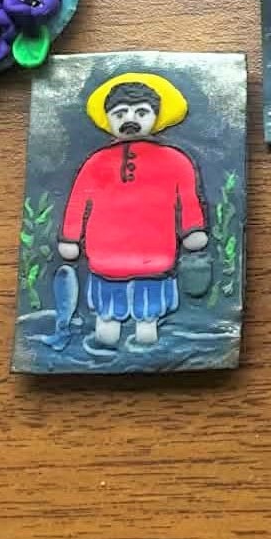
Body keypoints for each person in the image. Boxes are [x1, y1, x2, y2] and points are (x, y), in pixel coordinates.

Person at [58, 73, 207, 347]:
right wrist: (70, 238)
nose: (130, 119)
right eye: (120, 113)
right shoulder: (96, 163)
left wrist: (192, 230)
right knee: (107, 318)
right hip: (105, 255)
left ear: (155, 116)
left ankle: (145, 344)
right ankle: (106, 344)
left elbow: (187, 199)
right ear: (109, 119)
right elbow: (78, 202)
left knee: (148, 318)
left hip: (155, 253)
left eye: (141, 112)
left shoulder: (176, 161)